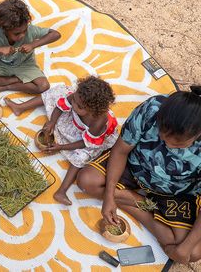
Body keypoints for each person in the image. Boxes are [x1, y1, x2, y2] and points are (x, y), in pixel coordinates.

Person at [76, 86, 201, 264]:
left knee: (193, 252)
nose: (168, 146)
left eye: (179, 145)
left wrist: (185, 248)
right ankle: (143, 206)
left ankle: (134, 201)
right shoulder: (154, 108)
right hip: (135, 167)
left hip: (176, 192)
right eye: (162, 137)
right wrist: (110, 195)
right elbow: (120, 151)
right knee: (87, 181)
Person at [5, 76, 118, 205]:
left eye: (79, 106)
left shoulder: (98, 122)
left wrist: (61, 147)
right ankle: (20, 107)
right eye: (74, 100)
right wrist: (52, 122)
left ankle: (61, 191)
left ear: (93, 110)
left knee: (82, 157)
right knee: (57, 92)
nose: (74, 104)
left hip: (88, 139)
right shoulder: (77, 98)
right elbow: (60, 107)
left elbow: (85, 143)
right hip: (75, 122)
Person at [0, 0, 61, 95]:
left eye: (24, 31)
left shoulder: (31, 30)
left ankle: (6, 86)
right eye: (17, 34)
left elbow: (56, 34)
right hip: (1, 64)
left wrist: (33, 44)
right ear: (4, 29)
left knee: (44, 86)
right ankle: (16, 79)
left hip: (26, 64)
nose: (22, 35)